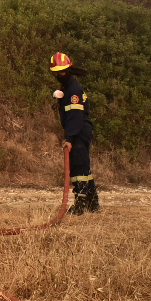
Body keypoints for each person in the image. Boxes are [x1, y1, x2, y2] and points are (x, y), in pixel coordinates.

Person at [50, 51, 100, 214]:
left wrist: (70, 138)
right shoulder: (68, 87)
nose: (59, 75)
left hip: (78, 130)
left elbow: (75, 116)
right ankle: (93, 204)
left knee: (78, 168)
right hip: (78, 129)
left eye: (62, 72)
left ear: (68, 70)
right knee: (84, 167)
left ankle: (80, 205)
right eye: (56, 72)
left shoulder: (73, 89)